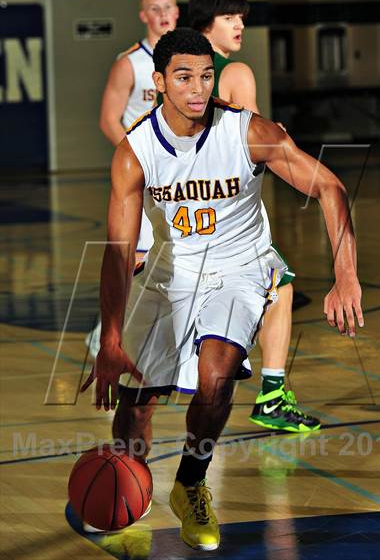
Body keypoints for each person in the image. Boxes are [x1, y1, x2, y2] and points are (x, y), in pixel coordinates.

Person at [81, 28, 364, 551]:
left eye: (206, 76)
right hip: (171, 269)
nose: (197, 88)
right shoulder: (135, 152)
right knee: (135, 402)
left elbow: (330, 185)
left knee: (217, 374)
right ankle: (129, 480)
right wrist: (113, 337)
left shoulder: (249, 132)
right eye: (184, 77)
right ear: (160, 81)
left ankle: (191, 482)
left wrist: (345, 273)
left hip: (239, 267)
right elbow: (119, 251)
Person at [189, 0, 319, 431]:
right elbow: (255, 142)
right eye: (230, 17)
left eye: (242, 17)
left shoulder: (180, 70)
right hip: (226, 209)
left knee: (277, 285)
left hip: (182, 205)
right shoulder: (235, 71)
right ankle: (269, 394)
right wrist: (279, 135)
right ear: (208, 22)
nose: (240, 25)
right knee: (273, 282)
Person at [86, 0, 179, 355]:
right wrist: (138, 155)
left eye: (168, 7)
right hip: (143, 178)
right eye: (155, 9)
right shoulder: (130, 63)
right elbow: (108, 119)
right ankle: (106, 334)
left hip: (177, 178)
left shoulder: (186, 58)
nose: (163, 15)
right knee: (136, 258)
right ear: (144, 16)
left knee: (173, 254)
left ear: (177, 11)